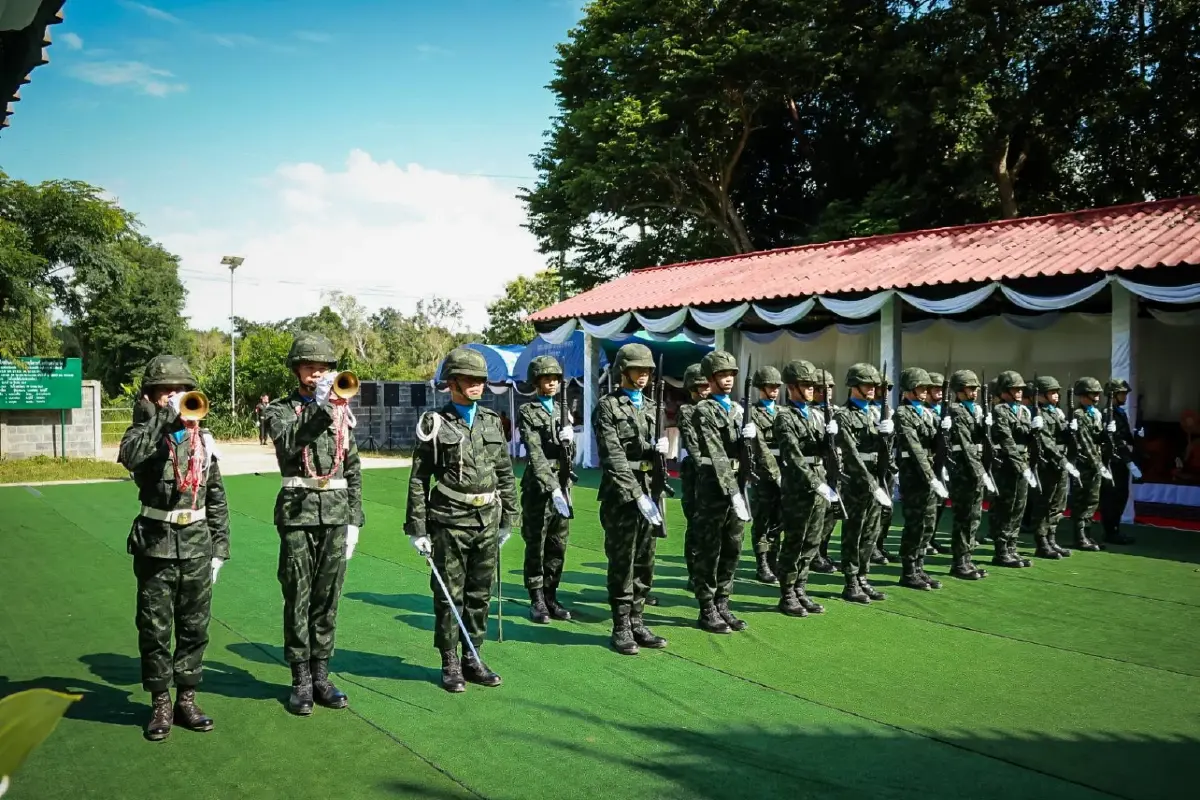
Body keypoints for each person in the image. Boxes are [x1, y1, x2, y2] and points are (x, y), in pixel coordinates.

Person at [117, 355, 229, 741]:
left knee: (195, 627)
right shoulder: (142, 435)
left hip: (197, 545)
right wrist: (163, 417)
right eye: (166, 390)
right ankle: (160, 703)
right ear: (150, 395)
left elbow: (216, 496)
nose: (175, 396)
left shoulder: (202, 439)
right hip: (155, 545)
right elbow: (130, 458)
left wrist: (220, 547)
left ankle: (187, 699)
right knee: (154, 628)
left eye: (181, 390)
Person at [405, 347, 519, 692]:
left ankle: (473, 656)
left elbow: (504, 472)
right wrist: (417, 527)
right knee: (448, 595)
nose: (477, 385)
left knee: (480, 593)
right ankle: (450, 661)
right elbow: (418, 478)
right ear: (452, 383)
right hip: (450, 520)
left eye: (480, 379)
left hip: (487, 518)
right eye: (469, 379)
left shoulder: (491, 421)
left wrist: (509, 517)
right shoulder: (435, 423)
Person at [264, 333, 362, 714]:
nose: (317, 374)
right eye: (309, 367)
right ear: (296, 371)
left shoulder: (341, 411)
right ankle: (300, 679)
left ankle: (322, 675)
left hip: (335, 512)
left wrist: (355, 519)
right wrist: (321, 408)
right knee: (298, 596)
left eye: (323, 368)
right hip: (298, 512)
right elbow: (289, 443)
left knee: (328, 597)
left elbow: (352, 467)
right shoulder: (279, 410)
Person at [593, 343, 670, 655]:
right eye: (637, 370)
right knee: (623, 561)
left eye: (647, 370)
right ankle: (621, 625)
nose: (643, 375)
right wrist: (637, 495)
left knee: (645, 560)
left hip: (650, 490)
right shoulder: (607, 407)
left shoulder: (653, 407)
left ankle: (638, 620)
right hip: (622, 496)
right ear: (622, 371)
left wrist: (660, 450)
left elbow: (650, 451)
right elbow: (613, 457)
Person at [690, 350, 753, 633]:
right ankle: (706, 607)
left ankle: (723, 602)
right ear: (711, 378)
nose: (728, 380)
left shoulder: (738, 410)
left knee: (733, 546)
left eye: (730, 375)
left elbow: (751, 452)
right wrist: (733, 492)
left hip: (737, 484)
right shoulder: (704, 410)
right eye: (722, 375)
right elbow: (716, 452)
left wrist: (752, 438)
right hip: (714, 486)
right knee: (710, 547)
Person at [516, 355, 575, 624]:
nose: (551, 383)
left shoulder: (564, 410)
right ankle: (537, 598)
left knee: (557, 544)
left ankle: (551, 595)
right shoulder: (528, 411)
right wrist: (552, 487)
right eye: (546, 379)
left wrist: (570, 439)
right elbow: (535, 452)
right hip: (539, 487)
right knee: (536, 544)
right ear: (536, 382)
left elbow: (569, 454)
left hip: (563, 483)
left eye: (555, 379)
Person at [774, 359, 836, 615]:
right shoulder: (784, 417)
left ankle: (801, 588)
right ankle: (787, 593)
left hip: (820, 482)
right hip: (799, 486)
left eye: (813, 385)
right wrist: (816, 483)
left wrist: (831, 437)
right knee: (795, 541)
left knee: (812, 541)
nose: (812, 390)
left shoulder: (818, 415)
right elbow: (793, 456)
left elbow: (824, 452)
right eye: (806, 385)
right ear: (792, 387)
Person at [833, 363, 893, 603]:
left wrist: (889, 434)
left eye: (873, 385)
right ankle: (851, 582)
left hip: (876, 477)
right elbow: (850, 454)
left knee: (871, 531)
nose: (872, 389)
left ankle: (863, 577)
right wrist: (872, 485)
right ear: (854, 386)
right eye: (867, 385)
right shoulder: (843, 415)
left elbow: (885, 451)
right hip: (857, 481)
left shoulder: (876, 413)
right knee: (854, 532)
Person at [893, 367, 948, 590]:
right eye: (921, 387)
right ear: (910, 389)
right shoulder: (902, 413)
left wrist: (945, 430)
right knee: (915, 524)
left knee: (928, 523)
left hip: (930, 472)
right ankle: (908, 571)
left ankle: (919, 567)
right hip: (914, 474)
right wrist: (931, 477)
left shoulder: (928, 413)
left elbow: (936, 445)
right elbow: (915, 448)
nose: (925, 391)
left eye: (927, 387)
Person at [987, 370, 1035, 568]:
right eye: (1015, 389)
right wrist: (1021, 466)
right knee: (1006, 508)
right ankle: (1001, 551)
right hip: (1007, 464)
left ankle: (1012, 548)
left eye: (1020, 389)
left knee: (1019, 507)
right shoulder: (1000, 411)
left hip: (1023, 463)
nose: (1019, 393)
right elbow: (1007, 440)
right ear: (1004, 391)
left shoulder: (1024, 411)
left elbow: (1027, 439)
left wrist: (1035, 431)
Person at [945, 370, 989, 579]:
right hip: (964, 470)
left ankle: (967, 559)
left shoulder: (974, 410)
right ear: (959, 391)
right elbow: (965, 445)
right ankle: (959, 562)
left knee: (974, 517)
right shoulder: (956, 411)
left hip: (975, 468)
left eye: (975, 388)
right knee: (964, 517)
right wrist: (981, 473)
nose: (975, 392)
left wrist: (985, 425)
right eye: (970, 388)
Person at [1028, 376, 1073, 559]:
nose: (1056, 395)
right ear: (1041, 395)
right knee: (1044, 503)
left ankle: (1051, 537)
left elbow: (1063, 437)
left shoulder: (1056, 412)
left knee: (1058, 503)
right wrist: (1062, 461)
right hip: (1047, 463)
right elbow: (1046, 441)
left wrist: (1071, 429)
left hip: (1060, 461)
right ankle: (1041, 542)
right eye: (1052, 392)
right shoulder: (1038, 414)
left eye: (1056, 392)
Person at [748, 365, 785, 583]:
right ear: (760, 388)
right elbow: (759, 447)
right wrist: (774, 473)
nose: (774, 390)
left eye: (777, 387)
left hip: (784, 469)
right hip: (763, 473)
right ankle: (762, 563)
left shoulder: (783, 412)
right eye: (770, 387)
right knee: (763, 519)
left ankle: (774, 559)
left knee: (779, 518)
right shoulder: (752, 413)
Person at [677, 364, 710, 591]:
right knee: (697, 524)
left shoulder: (718, 408)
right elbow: (693, 445)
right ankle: (695, 572)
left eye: (708, 385)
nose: (706, 390)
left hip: (717, 473)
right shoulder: (687, 411)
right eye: (702, 386)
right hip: (697, 473)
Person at [1099, 378, 1144, 545]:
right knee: (1111, 497)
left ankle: (1115, 529)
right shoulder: (1108, 413)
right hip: (1113, 461)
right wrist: (1128, 461)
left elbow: (1125, 437)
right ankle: (1110, 531)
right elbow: (1115, 440)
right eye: (1122, 393)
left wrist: (1136, 437)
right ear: (1113, 394)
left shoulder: (1119, 412)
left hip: (1121, 461)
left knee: (1121, 496)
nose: (1125, 397)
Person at [1068, 377, 1109, 552]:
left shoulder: (1094, 413)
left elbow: (1096, 438)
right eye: (1093, 394)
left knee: (1092, 501)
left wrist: (1107, 433)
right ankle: (1080, 537)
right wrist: (1098, 465)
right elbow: (1086, 443)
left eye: (1098, 394)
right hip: (1084, 463)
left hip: (1095, 462)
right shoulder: (1080, 415)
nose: (1097, 397)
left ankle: (1087, 533)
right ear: (1083, 395)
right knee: (1082, 501)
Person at [811, 369, 840, 574]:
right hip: (819, 467)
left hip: (836, 467)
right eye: (821, 388)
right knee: (818, 514)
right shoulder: (809, 412)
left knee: (832, 513)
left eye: (830, 387)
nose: (826, 391)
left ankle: (822, 550)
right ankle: (813, 555)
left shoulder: (837, 411)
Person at [870, 376, 898, 566]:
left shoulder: (889, 410)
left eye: (888, 389)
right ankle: (871, 547)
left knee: (888, 509)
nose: (885, 392)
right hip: (872, 465)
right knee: (874, 509)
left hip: (887, 464)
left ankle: (879, 544)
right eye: (882, 388)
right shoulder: (867, 410)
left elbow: (893, 441)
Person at [923, 371, 950, 556]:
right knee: (928, 503)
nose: (940, 392)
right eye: (936, 389)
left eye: (942, 389)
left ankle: (931, 537)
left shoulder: (945, 409)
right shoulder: (924, 410)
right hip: (930, 460)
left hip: (945, 459)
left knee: (940, 502)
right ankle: (923, 540)